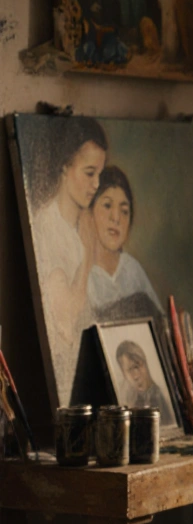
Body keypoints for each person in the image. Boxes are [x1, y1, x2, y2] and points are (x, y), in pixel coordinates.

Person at [31, 118, 108, 399]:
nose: (96, 184)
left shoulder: (81, 226)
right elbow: (64, 321)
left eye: (99, 174)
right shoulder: (47, 227)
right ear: (65, 166)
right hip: (64, 380)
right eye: (89, 173)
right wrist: (87, 259)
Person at [87, 166, 163, 319]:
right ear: (89, 212)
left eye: (124, 211)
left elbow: (160, 322)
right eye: (107, 205)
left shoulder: (133, 270)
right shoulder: (84, 274)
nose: (116, 218)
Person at [114, 340, 175, 427]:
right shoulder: (130, 401)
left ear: (145, 364)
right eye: (129, 370)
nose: (135, 376)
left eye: (137, 367)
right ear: (124, 374)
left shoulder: (160, 396)